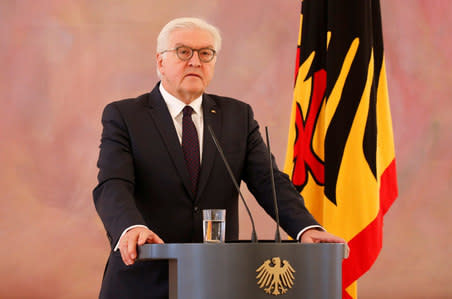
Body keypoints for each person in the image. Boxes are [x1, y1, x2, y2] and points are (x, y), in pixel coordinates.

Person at [93, 17, 345, 299]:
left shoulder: (237, 116)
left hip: (218, 279)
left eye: (205, 53)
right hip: (144, 275)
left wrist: (304, 228)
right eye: (183, 52)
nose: (195, 61)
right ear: (160, 61)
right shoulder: (125, 116)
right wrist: (131, 227)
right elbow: (113, 183)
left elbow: (268, 181)